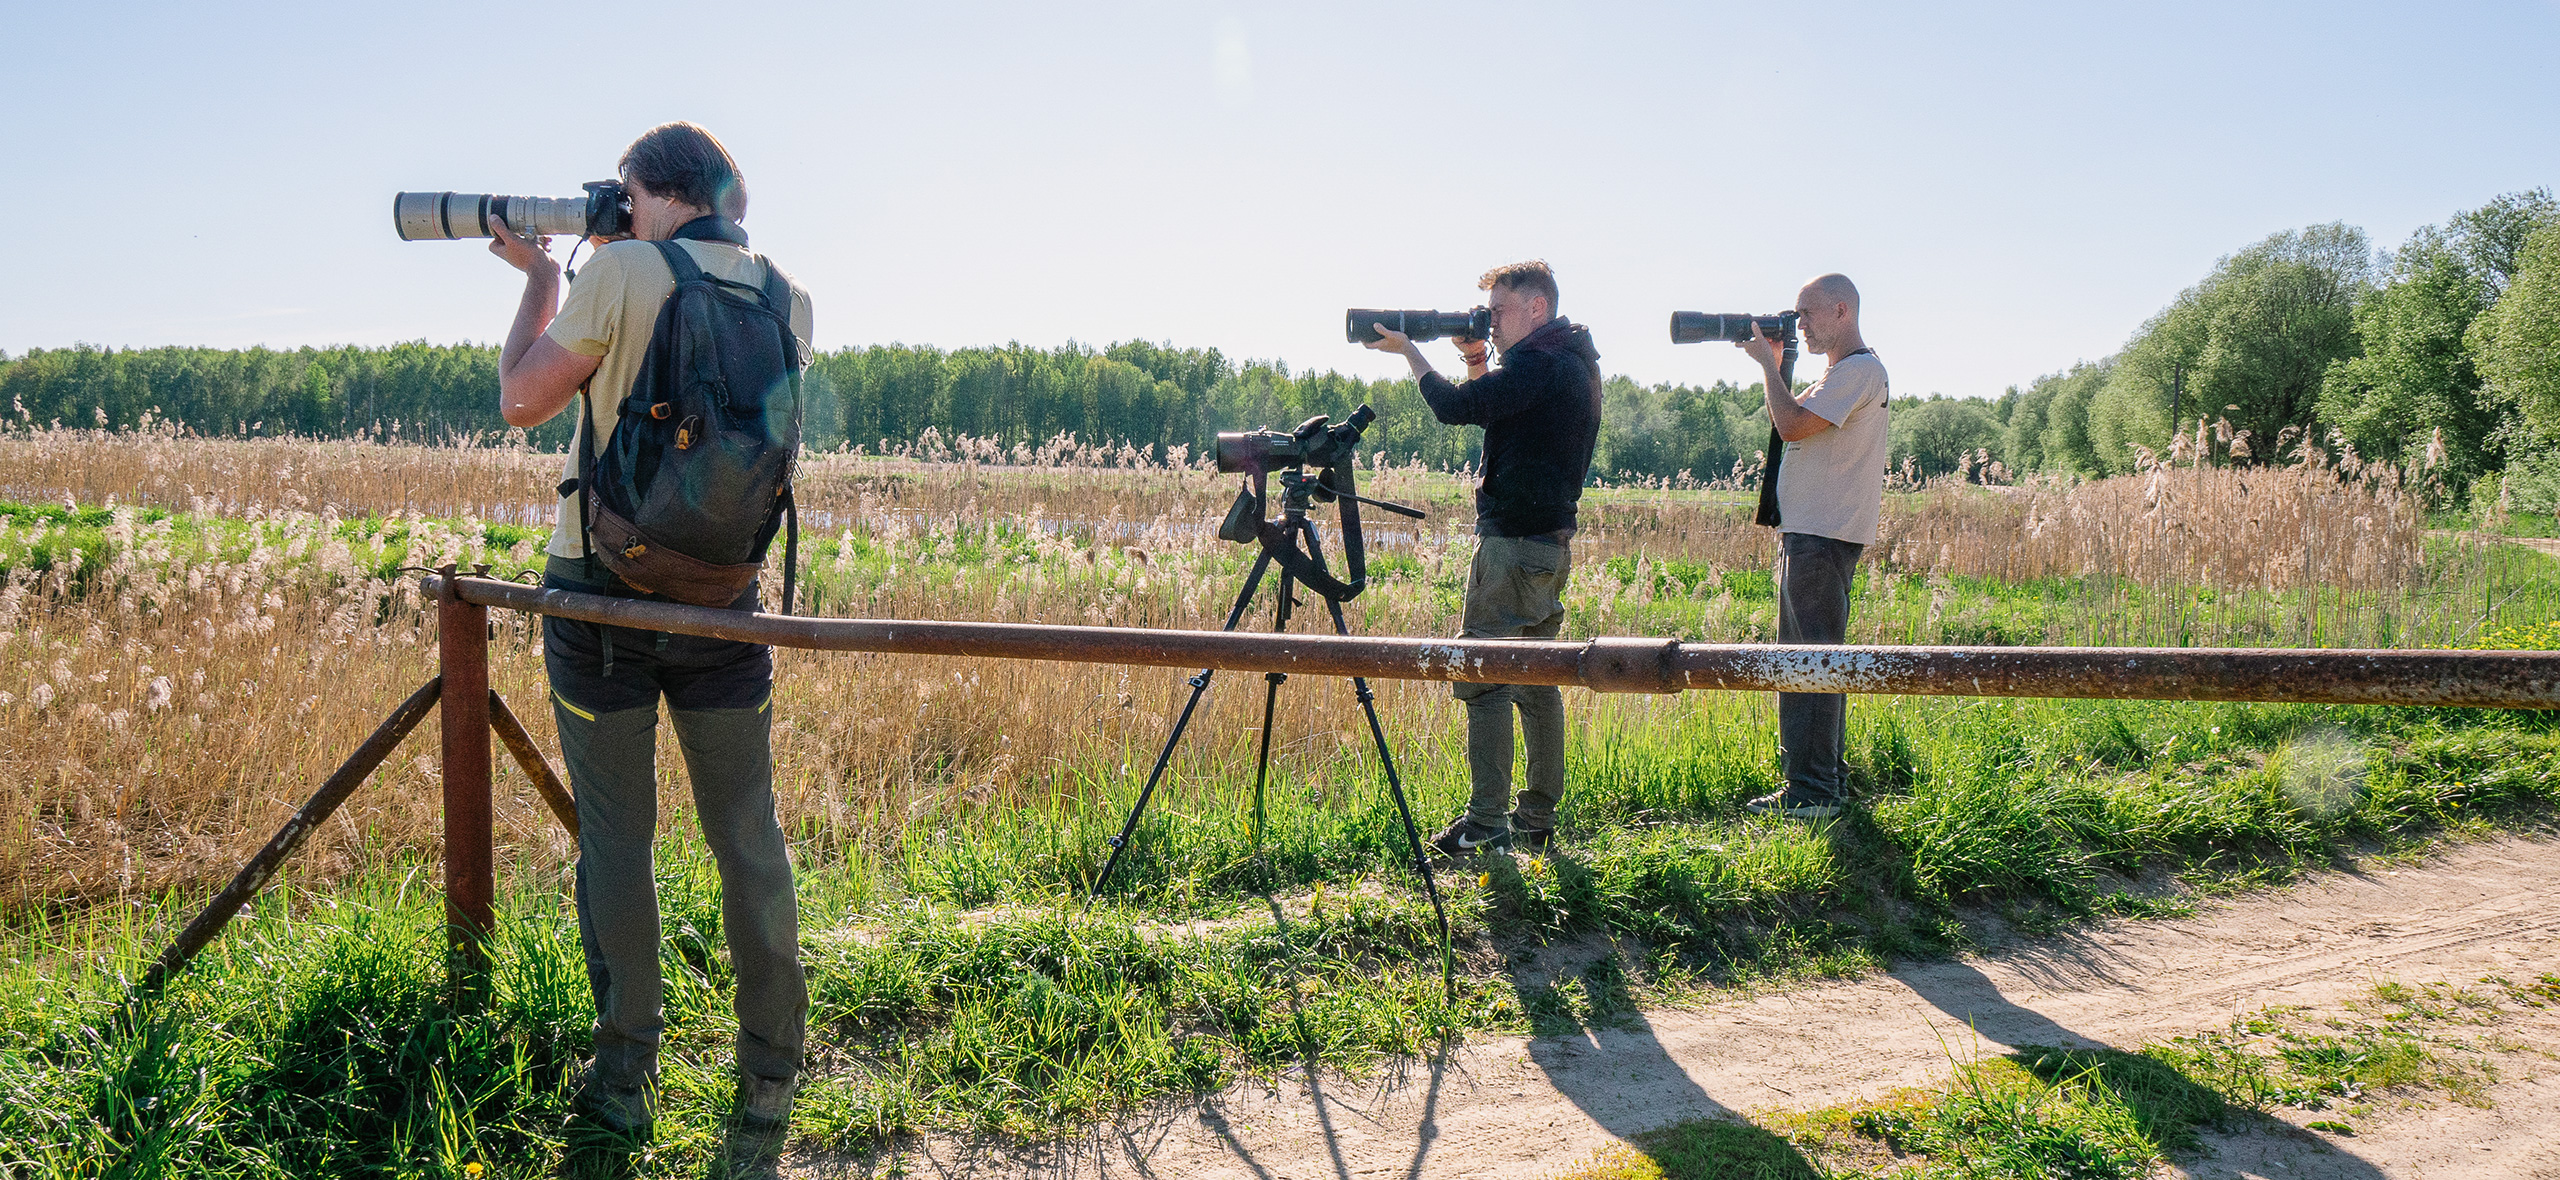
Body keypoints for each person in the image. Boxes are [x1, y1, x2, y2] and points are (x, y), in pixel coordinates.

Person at [487, 121, 814, 1136]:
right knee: (748, 837)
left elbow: (522, 400)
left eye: (627, 192)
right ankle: (770, 1068)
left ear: (653, 191)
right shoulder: (785, 296)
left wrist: (543, 277)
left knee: (620, 846)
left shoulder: (622, 268)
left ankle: (624, 1076)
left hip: (603, 595)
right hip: (725, 598)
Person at [1365, 260, 1602, 856]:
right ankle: (1538, 817)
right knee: (1539, 682)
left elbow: (1454, 406)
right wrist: (1476, 358)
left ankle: (1487, 823)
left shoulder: (1542, 365)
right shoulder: (1570, 361)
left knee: (1483, 678)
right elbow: (1497, 408)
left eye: (1499, 312)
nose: (1490, 323)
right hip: (1547, 547)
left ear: (1536, 309)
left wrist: (1409, 351)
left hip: (1512, 549)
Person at [1736, 273, 1888, 820]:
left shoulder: (1859, 370)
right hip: (1815, 534)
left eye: (1807, 314)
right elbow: (1794, 420)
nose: (1799, 323)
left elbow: (1793, 425)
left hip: (1823, 537)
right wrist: (1779, 368)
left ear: (1841, 310)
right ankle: (1824, 779)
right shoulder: (1843, 373)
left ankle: (1814, 791)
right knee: (1812, 659)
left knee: (1810, 661)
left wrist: (1767, 368)